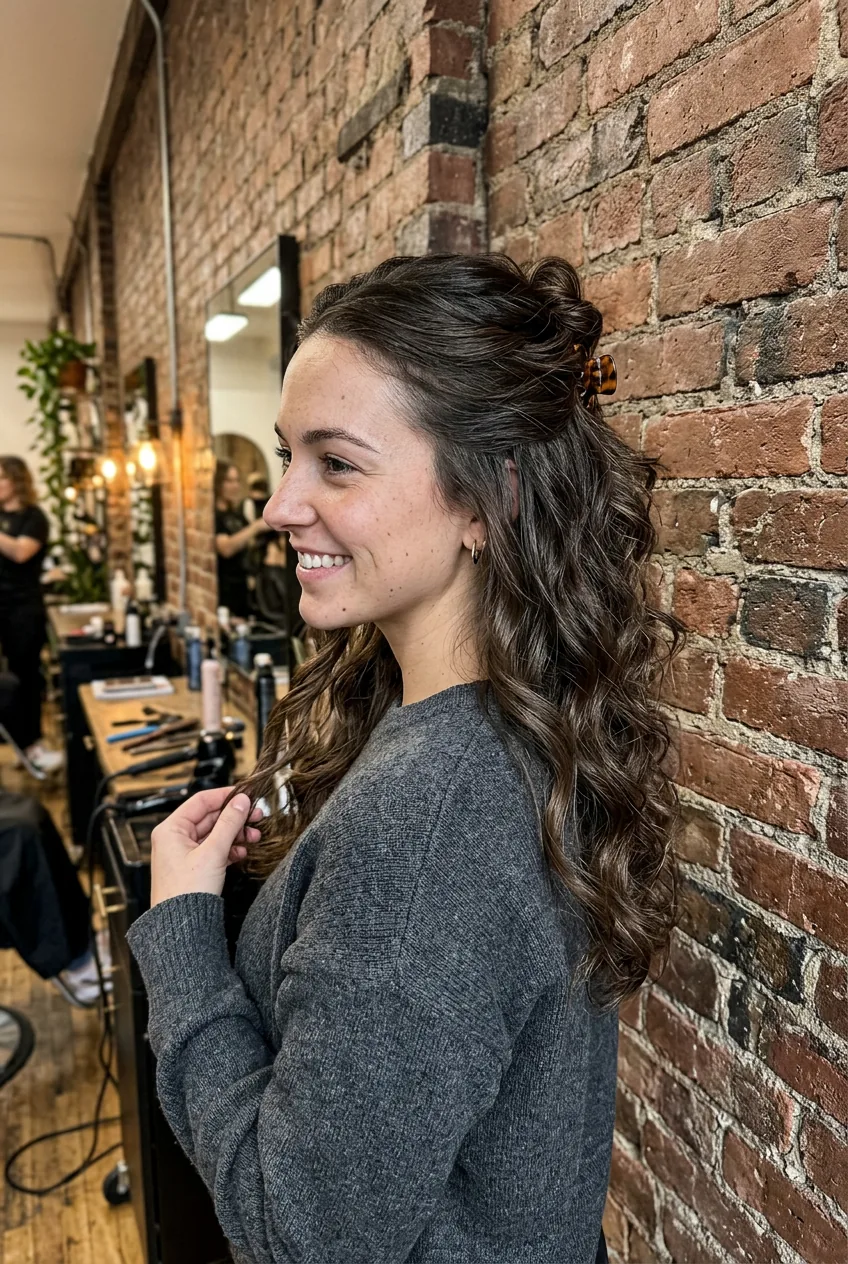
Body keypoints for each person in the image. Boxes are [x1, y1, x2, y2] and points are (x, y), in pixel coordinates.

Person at [126, 255, 683, 1264]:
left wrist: (180, 937)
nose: (279, 505)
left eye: (335, 463)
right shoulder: (505, 725)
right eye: (290, 456)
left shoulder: (428, 816)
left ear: (482, 501)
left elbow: (301, 1235)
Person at [0, 455, 63, 773]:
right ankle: (16, 744)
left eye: (1, 478)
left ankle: (33, 744)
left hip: (23, 608)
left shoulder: (33, 517)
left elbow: (21, 552)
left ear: (16, 480)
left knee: (25, 677)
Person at [214, 461, 268, 618]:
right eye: (229, 481)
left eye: (237, 480)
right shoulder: (214, 517)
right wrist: (256, 526)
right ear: (217, 483)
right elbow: (226, 548)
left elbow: (247, 542)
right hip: (225, 593)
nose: (235, 485)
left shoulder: (236, 515)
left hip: (243, 592)